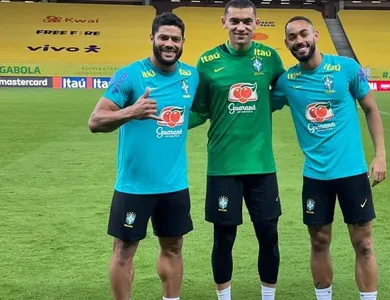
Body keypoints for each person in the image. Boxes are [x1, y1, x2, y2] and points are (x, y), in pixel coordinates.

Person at [271, 16, 387, 300]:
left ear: (316, 35)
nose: (299, 41)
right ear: (286, 43)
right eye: (292, 37)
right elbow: (257, 106)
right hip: (316, 176)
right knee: (319, 242)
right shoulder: (287, 82)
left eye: (304, 34)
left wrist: (380, 155)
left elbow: (371, 109)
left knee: (364, 244)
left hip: (352, 174)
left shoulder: (346, 68)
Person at [87, 12, 198, 300]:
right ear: (152, 38)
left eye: (175, 39)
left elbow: (195, 112)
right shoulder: (129, 75)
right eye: (163, 38)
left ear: (183, 42)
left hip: (175, 185)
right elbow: (96, 121)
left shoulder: (191, 76)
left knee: (174, 248)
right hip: (134, 186)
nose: (169, 44)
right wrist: (131, 112)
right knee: (124, 251)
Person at [187, 0, 285, 299]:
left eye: (247, 21)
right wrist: (165, 124)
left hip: (261, 165)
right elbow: (199, 109)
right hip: (223, 166)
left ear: (256, 23)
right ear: (224, 23)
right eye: (235, 21)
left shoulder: (270, 58)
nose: (241, 27)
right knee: (224, 237)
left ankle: (268, 297)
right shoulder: (206, 62)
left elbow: (284, 91)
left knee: (268, 236)